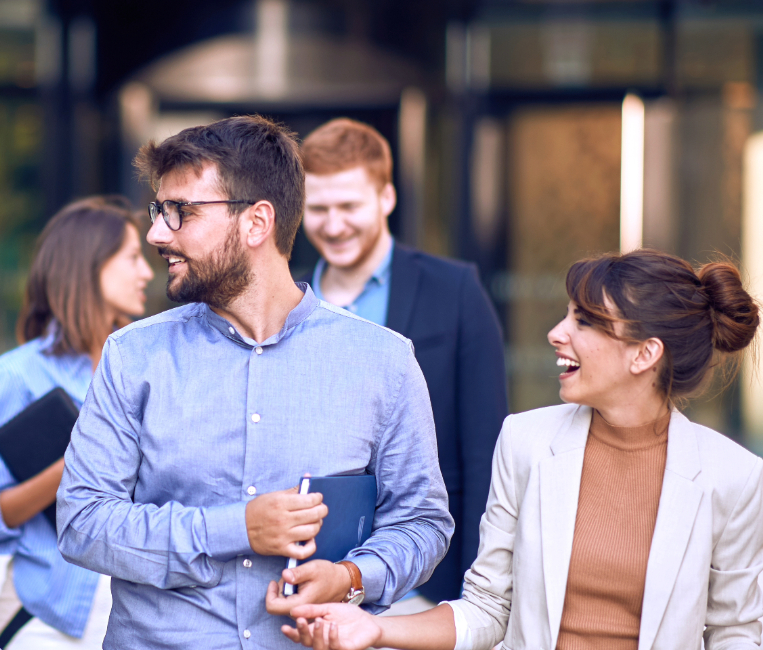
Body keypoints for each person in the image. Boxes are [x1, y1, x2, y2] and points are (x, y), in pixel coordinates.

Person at [55, 115, 453, 650]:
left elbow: (422, 521)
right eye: (158, 210)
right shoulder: (132, 356)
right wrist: (237, 528)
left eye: (180, 212)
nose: (156, 233)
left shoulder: (384, 361)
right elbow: (83, 523)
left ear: (257, 222)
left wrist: (352, 577)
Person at [282, 249, 763, 650]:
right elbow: (489, 608)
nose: (557, 333)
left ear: (645, 354)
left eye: (585, 321)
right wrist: (376, 628)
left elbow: (735, 634)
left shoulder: (733, 478)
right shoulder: (525, 441)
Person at [300, 118, 507, 605]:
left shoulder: (455, 290)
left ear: (386, 198)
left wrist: (475, 595)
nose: (334, 225)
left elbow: (486, 452)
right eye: (318, 208)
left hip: (426, 585)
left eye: (349, 206)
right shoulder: (288, 298)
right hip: (310, 583)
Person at [0, 196, 154, 649]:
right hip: (45, 616)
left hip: (135, 611)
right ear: (89, 264)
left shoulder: (142, 370)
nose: (147, 273)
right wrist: (72, 470)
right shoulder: (15, 376)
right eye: (133, 258)